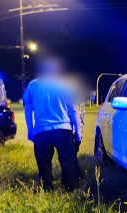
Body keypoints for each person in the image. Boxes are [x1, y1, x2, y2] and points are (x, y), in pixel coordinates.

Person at [23, 56, 82, 191]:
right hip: (63, 130)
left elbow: (28, 109)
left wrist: (30, 130)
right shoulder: (66, 85)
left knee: (43, 163)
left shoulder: (33, 85)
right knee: (67, 162)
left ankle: (47, 188)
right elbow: (73, 110)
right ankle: (70, 189)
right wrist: (77, 131)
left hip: (41, 131)